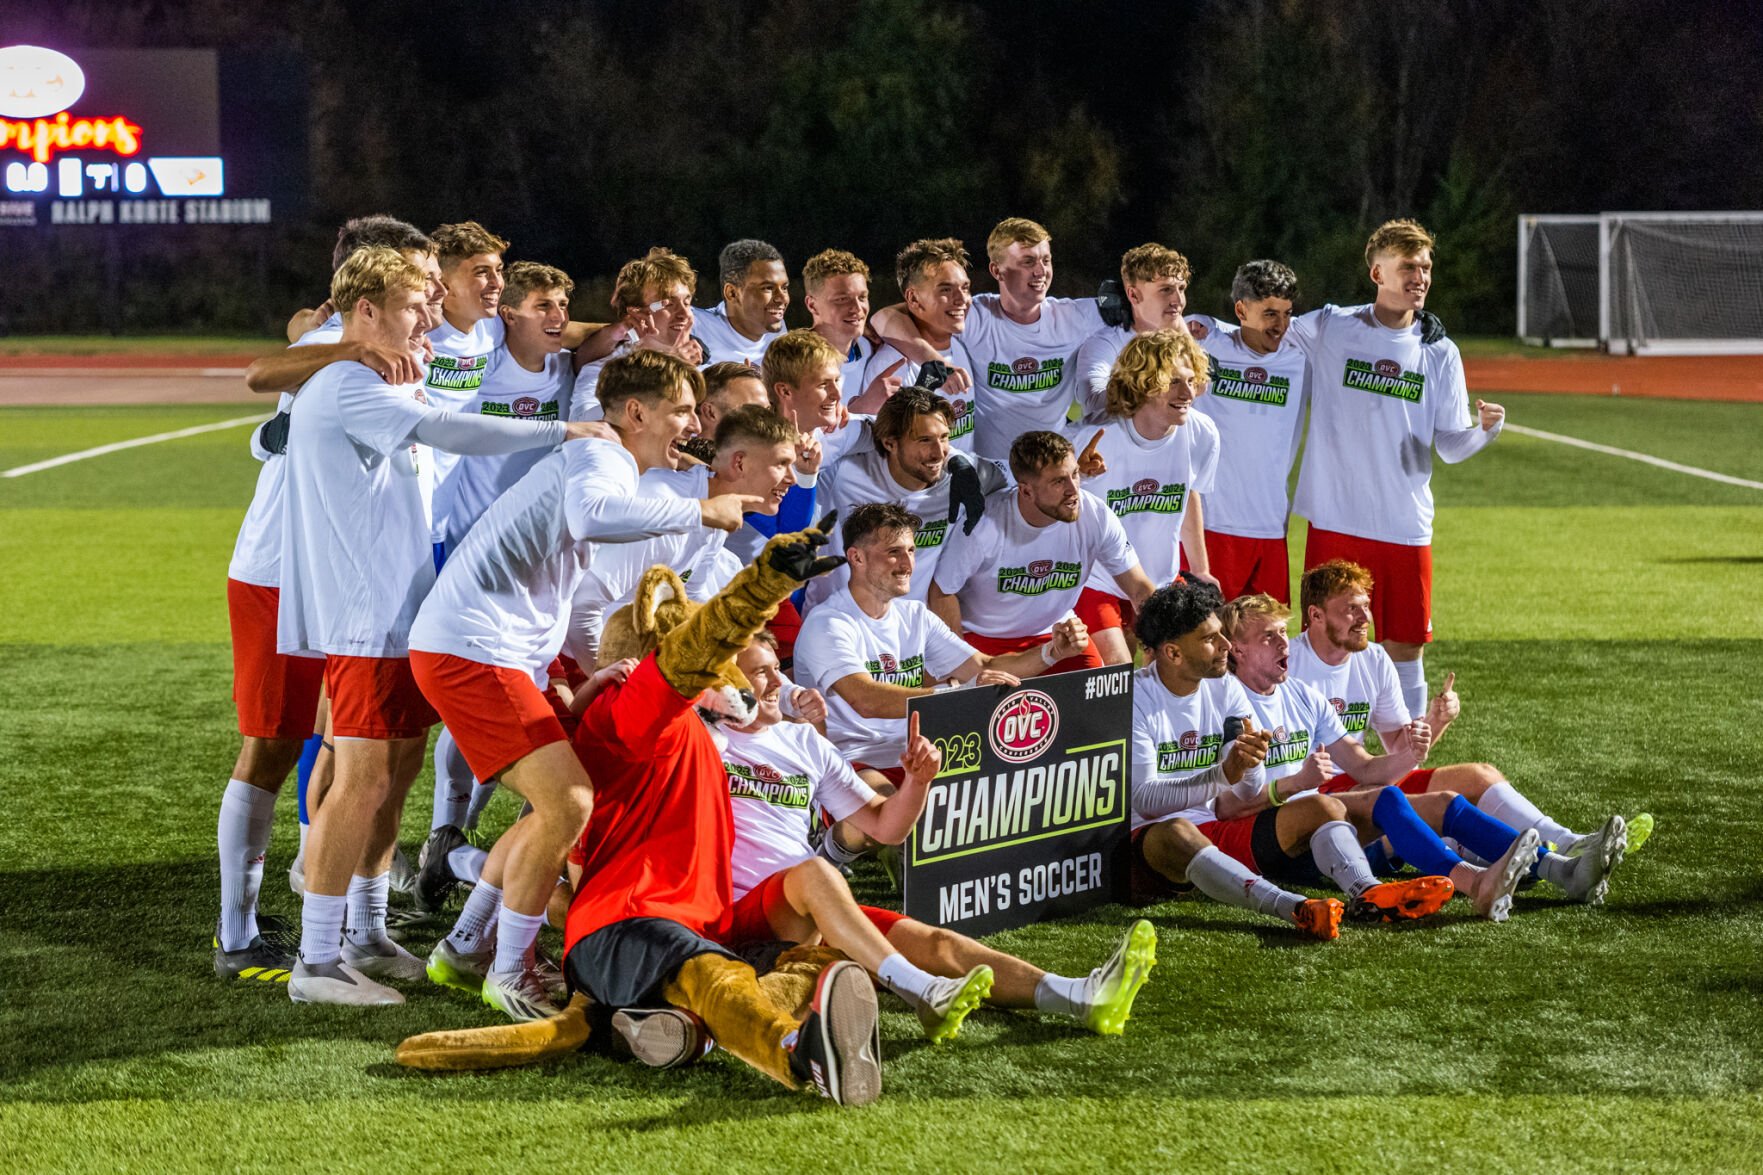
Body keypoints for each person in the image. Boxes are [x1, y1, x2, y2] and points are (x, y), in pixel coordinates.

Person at [277, 248, 594, 1005]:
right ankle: (316, 961)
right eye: (415, 304)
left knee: (393, 777)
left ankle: (364, 930)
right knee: (359, 781)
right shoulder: (350, 383)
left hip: (399, 614)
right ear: (365, 313)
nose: (429, 318)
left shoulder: (381, 374)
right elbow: (453, 430)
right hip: (364, 618)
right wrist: (564, 433)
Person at [407, 350, 758, 1018]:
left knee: (559, 799)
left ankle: (463, 947)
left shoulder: (615, 464)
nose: (692, 421)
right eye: (681, 408)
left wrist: (576, 674)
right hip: (474, 650)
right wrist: (701, 513)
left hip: (500, 650)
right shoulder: (603, 455)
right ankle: (507, 969)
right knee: (567, 802)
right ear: (635, 412)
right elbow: (594, 517)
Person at [719, 634, 1159, 1040]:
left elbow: (886, 827)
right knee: (815, 871)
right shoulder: (705, 739)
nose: (780, 682)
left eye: (778, 668)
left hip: (812, 907)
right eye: (762, 673)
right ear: (725, 682)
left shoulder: (802, 742)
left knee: (938, 943)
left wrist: (917, 783)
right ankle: (921, 989)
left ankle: (1081, 996)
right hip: (740, 914)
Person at [213, 219, 439, 982]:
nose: (428, 298)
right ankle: (238, 933)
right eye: (415, 280)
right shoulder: (328, 343)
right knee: (273, 745)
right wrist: (342, 343)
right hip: (281, 567)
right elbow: (256, 374)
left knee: (381, 750)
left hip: (354, 572)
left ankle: (356, 926)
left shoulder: (412, 341)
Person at [1222, 592, 1624, 918]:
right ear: (1236, 651)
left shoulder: (1301, 695)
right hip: (1272, 835)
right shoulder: (1227, 704)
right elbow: (1227, 806)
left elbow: (1362, 765)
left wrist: (1414, 749)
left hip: (1317, 817)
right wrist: (1295, 784)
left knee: (1445, 801)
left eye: (1282, 633)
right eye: (1268, 637)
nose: (1282, 643)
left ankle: (1564, 870)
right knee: (1385, 799)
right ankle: (1475, 883)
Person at [1288, 560, 1643, 874]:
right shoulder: (1290, 664)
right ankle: (1532, 864)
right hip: (1321, 796)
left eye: (1366, 606)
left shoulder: (1374, 659)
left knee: (1479, 775)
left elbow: (1399, 747)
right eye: (1352, 609)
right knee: (1431, 808)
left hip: (1366, 778)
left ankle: (1570, 844)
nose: (1366, 618)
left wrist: (1436, 720)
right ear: (1316, 615)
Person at [1289, 219, 1504, 718]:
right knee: (1327, 646)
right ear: (1376, 273)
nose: (1421, 277)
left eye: (1426, 268)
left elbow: (1449, 445)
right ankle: (1321, 763)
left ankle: (1403, 766)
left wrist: (1484, 431)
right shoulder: (1330, 327)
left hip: (1405, 526)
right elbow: (1266, 329)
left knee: (1406, 648)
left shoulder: (1439, 351)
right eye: (1408, 267)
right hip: (1336, 520)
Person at [793, 503, 1087, 861]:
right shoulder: (830, 622)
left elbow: (984, 665)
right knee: (887, 816)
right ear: (856, 557)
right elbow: (864, 698)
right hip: (850, 757)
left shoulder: (915, 615)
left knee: (992, 808)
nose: (907, 564)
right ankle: (831, 853)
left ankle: (902, 852)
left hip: (916, 754)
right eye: (893, 553)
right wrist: (956, 693)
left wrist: (1052, 652)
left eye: (912, 551)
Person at [1125, 579, 1347, 939]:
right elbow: (1146, 802)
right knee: (1179, 830)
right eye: (1210, 638)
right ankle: (1291, 907)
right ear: (1173, 653)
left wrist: (1249, 764)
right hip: (1147, 843)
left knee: (1326, 807)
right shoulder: (1137, 698)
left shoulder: (1224, 685)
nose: (1226, 644)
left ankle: (1367, 891)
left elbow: (1247, 792)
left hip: (1214, 824)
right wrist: (1224, 774)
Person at [930, 430, 1153, 673]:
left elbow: (1139, 587)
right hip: (984, 638)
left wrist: (1169, 633)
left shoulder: (1096, 516)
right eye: (1058, 481)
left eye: (1075, 474)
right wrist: (957, 660)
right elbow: (942, 591)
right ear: (1025, 491)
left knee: (1108, 695)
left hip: (1058, 632)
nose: (1073, 490)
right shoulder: (983, 526)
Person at [1070, 329, 1220, 666]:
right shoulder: (1095, 438)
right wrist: (1076, 475)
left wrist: (1201, 569)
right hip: (1098, 583)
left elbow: (1188, 493)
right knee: (1117, 678)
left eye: (1191, 381)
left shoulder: (1201, 432)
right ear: (1142, 383)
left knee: (1182, 672)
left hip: (1161, 580)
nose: (1188, 393)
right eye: (1173, 382)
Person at [916, 218, 1105, 463]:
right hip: (990, 472)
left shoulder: (1074, 317)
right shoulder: (975, 316)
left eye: (1045, 260)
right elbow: (890, 317)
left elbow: (1145, 310)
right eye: (1028, 262)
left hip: (1051, 469)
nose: (1040, 271)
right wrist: (934, 360)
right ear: (997, 271)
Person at [808, 387, 1005, 611]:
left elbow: (1023, 477)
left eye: (944, 438)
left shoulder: (964, 477)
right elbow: (822, 440)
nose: (939, 452)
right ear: (890, 443)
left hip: (906, 631)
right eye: (924, 440)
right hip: (833, 620)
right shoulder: (842, 471)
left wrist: (960, 462)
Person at [1188, 260, 1310, 603]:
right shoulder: (1205, 343)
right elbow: (1155, 321)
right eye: (1270, 313)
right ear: (1241, 309)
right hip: (1210, 526)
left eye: (1287, 313)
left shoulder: (1301, 354)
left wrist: (1416, 319)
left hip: (1271, 525)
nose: (1281, 325)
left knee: (1267, 646)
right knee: (1207, 644)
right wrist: (1196, 323)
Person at [859, 238, 979, 450]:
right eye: (946, 290)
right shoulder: (892, 365)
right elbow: (886, 452)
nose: (962, 299)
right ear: (913, 299)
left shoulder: (960, 345)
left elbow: (885, 316)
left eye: (965, 288)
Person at [1072, 243, 1193, 421]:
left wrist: (1181, 330)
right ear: (1133, 295)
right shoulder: (1105, 344)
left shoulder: (1188, 338)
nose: (1178, 300)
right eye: (1166, 290)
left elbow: (1203, 384)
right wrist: (1155, 385)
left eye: (1181, 289)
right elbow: (1093, 402)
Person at [573, 247, 703, 409]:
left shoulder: (708, 365)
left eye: (687, 302)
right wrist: (667, 374)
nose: (684, 314)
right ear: (636, 313)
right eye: (669, 304)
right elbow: (585, 420)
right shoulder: (606, 373)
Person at [694, 239, 790, 365]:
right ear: (732, 293)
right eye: (768, 288)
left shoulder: (776, 330)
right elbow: (659, 307)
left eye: (784, 288)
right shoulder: (693, 322)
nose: (782, 298)